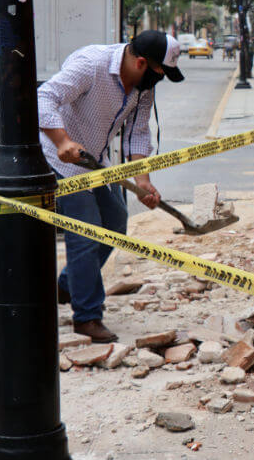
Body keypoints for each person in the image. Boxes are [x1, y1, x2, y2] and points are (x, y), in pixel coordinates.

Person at [38, 30, 184, 342]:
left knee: (116, 223)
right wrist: (62, 141)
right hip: (61, 159)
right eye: (159, 73)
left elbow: (137, 132)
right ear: (141, 63)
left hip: (96, 161)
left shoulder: (143, 88)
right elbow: (44, 97)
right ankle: (87, 316)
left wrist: (143, 181)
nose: (159, 81)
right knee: (87, 233)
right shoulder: (92, 64)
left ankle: (68, 285)